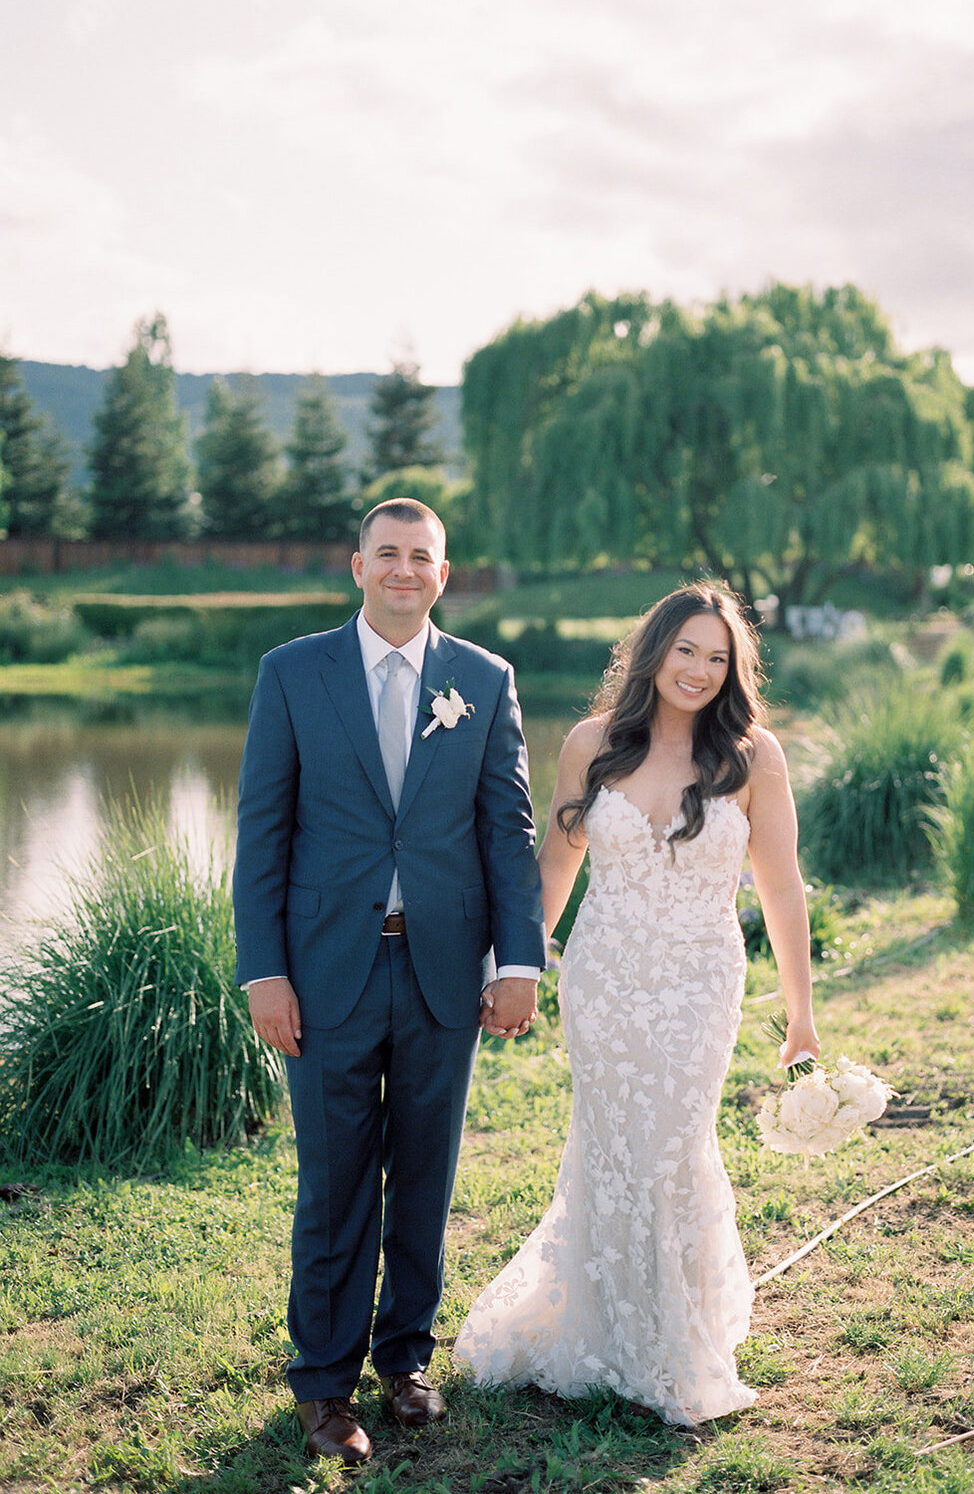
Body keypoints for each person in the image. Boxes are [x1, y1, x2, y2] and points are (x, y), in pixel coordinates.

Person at [457, 582, 820, 1426]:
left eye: (716, 656)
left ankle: (673, 1338)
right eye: (685, 649)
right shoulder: (593, 743)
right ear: (654, 650)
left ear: (734, 670)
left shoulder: (754, 754)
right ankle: (602, 1326)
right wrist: (520, 967)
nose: (698, 669)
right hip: (606, 977)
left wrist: (801, 1013)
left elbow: (783, 887)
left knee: (674, 1141)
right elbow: (556, 864)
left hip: (699, 980)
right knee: (613, 1142)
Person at [233, 497, 545, 1464]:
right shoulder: (292, 673)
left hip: (444, 969)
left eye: (423, 556)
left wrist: (520, 960)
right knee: (334, 1181)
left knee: (425, 1170)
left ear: (443, 574)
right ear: (357, 566)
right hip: (325, 972)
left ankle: (406, 1359)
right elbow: (261, 834)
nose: (405, 570)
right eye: (388, 554)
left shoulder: (482, 680)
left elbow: (508, 830)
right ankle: (324, 1383)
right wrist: (265, 972)